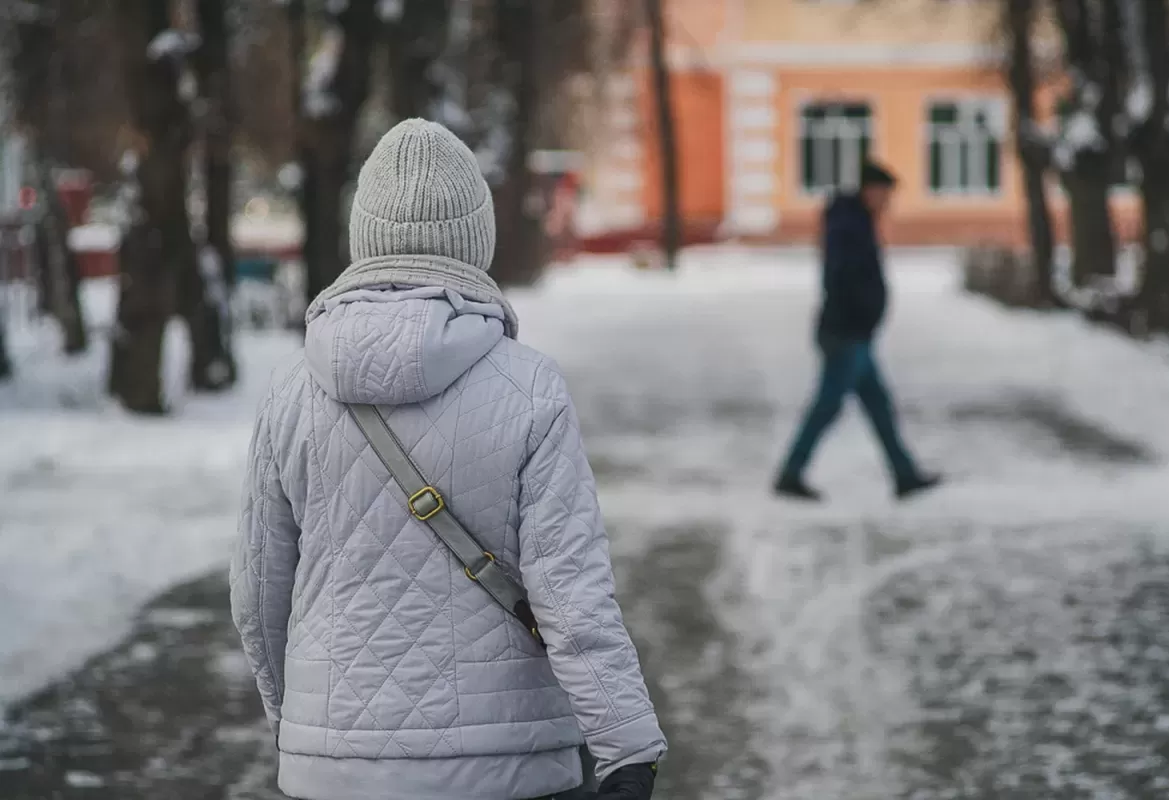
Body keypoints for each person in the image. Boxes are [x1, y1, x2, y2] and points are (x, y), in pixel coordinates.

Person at [231, 119, 666, 800]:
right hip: (510, 768)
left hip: (332, 772)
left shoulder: (291, 391)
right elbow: (571, 593)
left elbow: (259, 593)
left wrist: (303, 727)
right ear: (476, 238)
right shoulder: (529, 387)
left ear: (363, 233)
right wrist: (627, 747)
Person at [774, 160, 940, 502]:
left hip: (855, 333)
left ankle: (905, 475)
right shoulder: (847, 224)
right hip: (845, 333)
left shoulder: (856, 220)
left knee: (878, 406)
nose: (888, 202)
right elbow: (842, 275)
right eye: (885, 194)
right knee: (827, 407)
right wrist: (860, 308)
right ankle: (791, 473)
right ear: (870, 190)